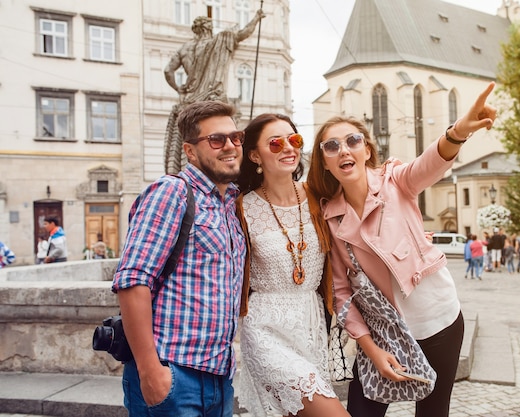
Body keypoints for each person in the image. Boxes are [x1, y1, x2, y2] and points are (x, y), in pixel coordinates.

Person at [308, 82, 497, 417]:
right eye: (332, 146)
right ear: (324, 161)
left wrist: (458, 132)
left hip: (439, 319)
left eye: (352, 141)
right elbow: (340, 292)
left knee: (433, 412)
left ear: (367, 149)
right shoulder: (329, 217)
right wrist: (370, 348)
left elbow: (429, 164)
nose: (344, 151)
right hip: (383, 332)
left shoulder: (397, 180)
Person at [112, 101, 247, 417]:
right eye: (216, 140)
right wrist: (151, 371)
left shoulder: (229, 204)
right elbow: (132, 280)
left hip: (219, 375)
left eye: (235, 137)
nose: (229, 146)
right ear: (189, 150)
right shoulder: (172, 192)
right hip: (173, 371)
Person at [234, 113, 349, 416]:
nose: (288, 147)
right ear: (255, 155)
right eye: (276, 143)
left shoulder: (319, 196)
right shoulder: (240, 208)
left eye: (294, 139)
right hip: (264, 330)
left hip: (311, 323)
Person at [163, 11, 265, 174]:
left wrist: (179, 88)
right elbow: (244, 33)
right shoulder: (220, 39)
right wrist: (256, 18)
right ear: (208, 28)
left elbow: (168, 71)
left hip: (190, 100)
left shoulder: (185, 48)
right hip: (212, 98)